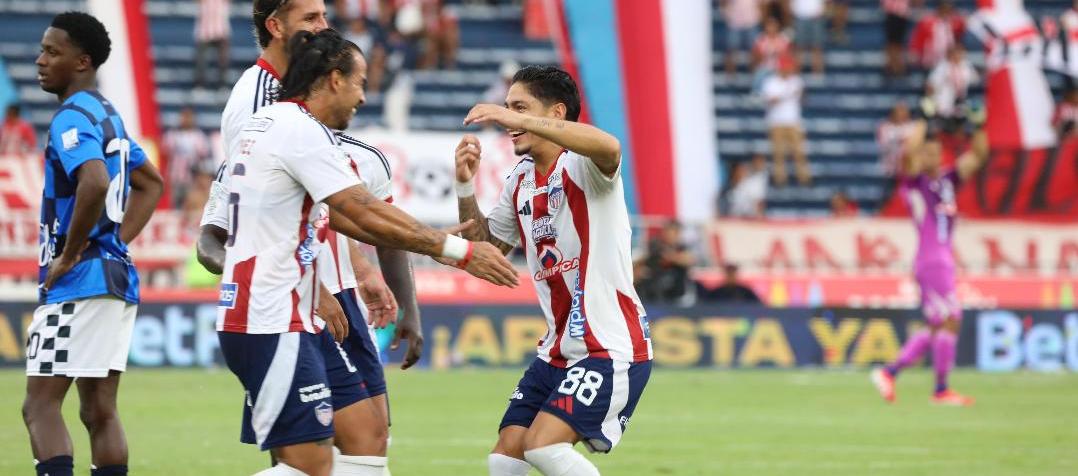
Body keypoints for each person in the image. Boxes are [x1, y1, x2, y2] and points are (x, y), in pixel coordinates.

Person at [213, 28, 517, 476]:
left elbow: (347, 219)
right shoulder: (298, 130)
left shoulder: (273, 124)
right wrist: (456, 250)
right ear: (334, 79)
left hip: (295, 315)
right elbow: (361, 208)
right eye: (359, 84)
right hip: (268, 316)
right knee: (311, 463)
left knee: (365, 435)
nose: (361, 98)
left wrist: (425, 240)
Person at [194, 2, 431, 474]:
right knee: (310, 454)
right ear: (275, 26)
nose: (324, 25)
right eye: (312, 18)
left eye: (324, 15)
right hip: (291, 300)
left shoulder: (313, 109)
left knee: (368, 438)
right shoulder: (258, 103)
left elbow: (327, 203)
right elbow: (244, 212)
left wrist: (363, 271)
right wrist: (310, 287)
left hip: (331, 290)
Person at [452, 65, 652, 476]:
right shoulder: (520, 180)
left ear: (556, 112)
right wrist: (464, 187)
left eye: (519, 107)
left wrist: (516, 119)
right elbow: (489, 252)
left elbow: (611, 146)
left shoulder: (584, 166)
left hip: (608, 345)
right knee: (505, 455)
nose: (508, 119)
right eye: (507, 108)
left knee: (543, 448)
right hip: (557, 351)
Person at [23, 11, 164, 476]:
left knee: (40, 406)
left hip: (79, 282)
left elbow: (95, 181)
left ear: (82, 61)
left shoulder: (72, 117)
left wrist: (69, 253)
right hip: (115, 277)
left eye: (52, 52)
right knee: (98, 411)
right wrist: (112, 242)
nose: (40, 60)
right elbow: (150, 183)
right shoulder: (107, 113)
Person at [871, 120, 990, 407]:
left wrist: (977, 123)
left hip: (942, 258)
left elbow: (980, 154)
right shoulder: (915, 181)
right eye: (927, 153)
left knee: (939, 324)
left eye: (936, 153)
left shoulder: (948, 180)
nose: (931, 158)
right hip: (931, 259)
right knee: (951, 320)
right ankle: (939, 389)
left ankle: (891, 373)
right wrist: (927, 118)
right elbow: (910, 152)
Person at [762, 54, 810, 186]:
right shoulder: (771, 82)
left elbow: (804, 100)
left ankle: (804, 179)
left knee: (799, 152)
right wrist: (786, 94)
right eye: (785, 68)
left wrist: (800, 95)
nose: (788, 70)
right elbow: (770, 101)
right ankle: (780, 180)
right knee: (778, 154)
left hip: (794, 121)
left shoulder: (797, 81)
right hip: (776, 122)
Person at [162, 107, 211, 208]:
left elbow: (203, 158)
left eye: (189, 117)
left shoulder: (199, 136)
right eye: (184, 116)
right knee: (174, 206)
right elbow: (165, 155)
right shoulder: (172, 135)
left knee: (190, 204)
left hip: (191, 179)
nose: (186, 119)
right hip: (175, 178)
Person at [636, 220, 696, 303]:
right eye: (667, 231)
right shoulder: (655, 246)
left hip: (676, 294)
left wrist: (673, 257)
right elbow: (643, 261)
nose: (669, 235)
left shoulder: (681, 248)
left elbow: (689, 260)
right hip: (653, 292)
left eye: (673, 232)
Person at [924, 45, 978, 135]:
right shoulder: (941, 67)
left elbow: (976, 80)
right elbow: (930, 86)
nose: (958, 56)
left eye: (960, 53)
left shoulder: (966, 65)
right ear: (950, 54)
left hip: (962, 101)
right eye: (956, 53)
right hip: (944, 103)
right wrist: (933, 103)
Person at [908, 1, 964, 71]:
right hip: (930, 60)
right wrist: (915, 52)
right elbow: (917, 39)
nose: (946, 13)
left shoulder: (954, 23)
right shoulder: (927, 23)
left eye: (949, 11)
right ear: (939, 10)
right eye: (944, 10)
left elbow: (959, 35)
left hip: (947, 61)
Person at [194, 0, 232, 88]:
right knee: (200, 59)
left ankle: (223, 84)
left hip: (221, 30)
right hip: (204, 31)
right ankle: (199, 84)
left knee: (224, 57)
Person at [751, 17, 792, 94]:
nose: (771, 28)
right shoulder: (761, 39)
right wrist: (767, 55)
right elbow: (756, 56)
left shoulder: (783, 39)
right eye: (769, 26)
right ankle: (756, 94)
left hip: (779, 68)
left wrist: (777, 54)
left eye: (773, 26)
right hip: (764, 66)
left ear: (777, 27)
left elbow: (787, 56)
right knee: (760, 74)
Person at [722, 0, 763, 75]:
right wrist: (726, 14)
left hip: (752, 21)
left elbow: (762, 4)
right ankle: (730, 78)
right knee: (730, 50)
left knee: (755, 50)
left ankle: (754, 75)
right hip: (734, 22)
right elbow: (723, 2)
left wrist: (759, 15)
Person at [792, 0, 826, 74]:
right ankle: (796, 75)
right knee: (799, 47)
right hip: (800, 16)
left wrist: (822, 10)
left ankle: (818, 75)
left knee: (817, 47)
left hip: (816, 16)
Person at [882, 0, 912, 77]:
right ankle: (892, 65)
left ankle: (897, 66)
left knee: (898, 43)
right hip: (892, 13)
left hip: (902, 14)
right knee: (892, 42)